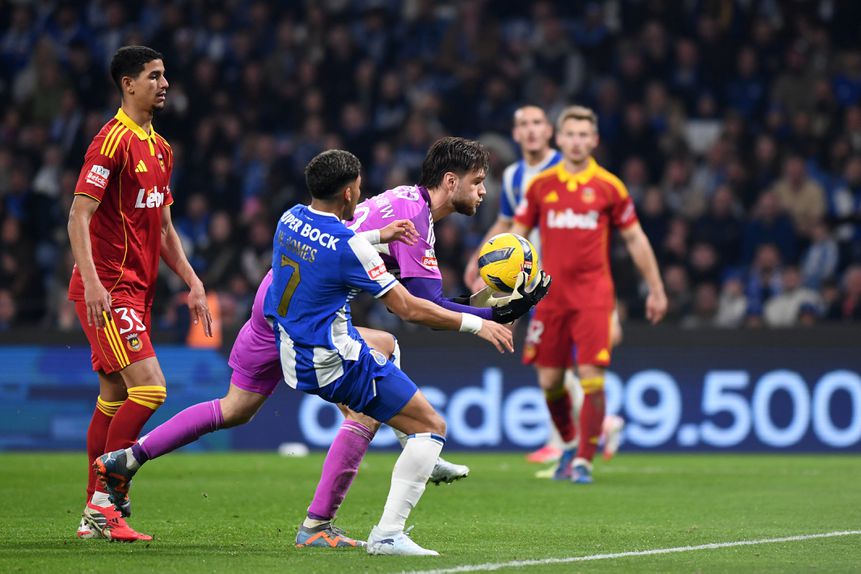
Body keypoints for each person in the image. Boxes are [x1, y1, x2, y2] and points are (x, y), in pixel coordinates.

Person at [97, 149, 546, 554]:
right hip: (313, 322)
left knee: (234, 409)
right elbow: (420, 306)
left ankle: (129, 458)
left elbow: (350, 240)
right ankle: (337, 514)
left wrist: (382, 238)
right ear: (451, 181)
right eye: (478, 181)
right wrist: (490, 318)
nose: (483, 191)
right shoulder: (417, 221)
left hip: (273, 302)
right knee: (374, 396)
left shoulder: (329, 210)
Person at [68, 46, 212, 542]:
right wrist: (93, 282)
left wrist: (192, 280)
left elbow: (165, 228)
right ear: (128, 84)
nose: (164, 83)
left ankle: (94, 514)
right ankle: (106, 501)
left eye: (164, 75)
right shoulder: (110, 142)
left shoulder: (161, 148)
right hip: (108, 288)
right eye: (154, 76)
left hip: (138, 290)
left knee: (112, 397)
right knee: (150, 388)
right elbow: (78, 216)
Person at [510, 105, 667, 484]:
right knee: (550, 381)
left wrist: (656, 288)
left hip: (593, 296)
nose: (577, 141)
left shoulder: (610, 187)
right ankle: (568, 445)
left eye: (584, 135)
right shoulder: (541, 186)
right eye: (571, 134)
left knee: (591, 376)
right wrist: (508, 290)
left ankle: (584, 460)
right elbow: (516, 238)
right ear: (560, 139)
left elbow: (635, 238)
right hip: (549, 296)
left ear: (594, 140)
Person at [464, 105, 624, 466]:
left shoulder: (567, 165)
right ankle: (588, 430)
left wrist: (611, 308)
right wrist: (481, 259)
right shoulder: (514, 177)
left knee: (562, 363)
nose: (531, 130)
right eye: (524, 124)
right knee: (548, 365)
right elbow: (507, 222)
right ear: (515, 134)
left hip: (566, 282)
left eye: (538, 123)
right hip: (525, 279)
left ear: (551, 132)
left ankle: (569, 440)